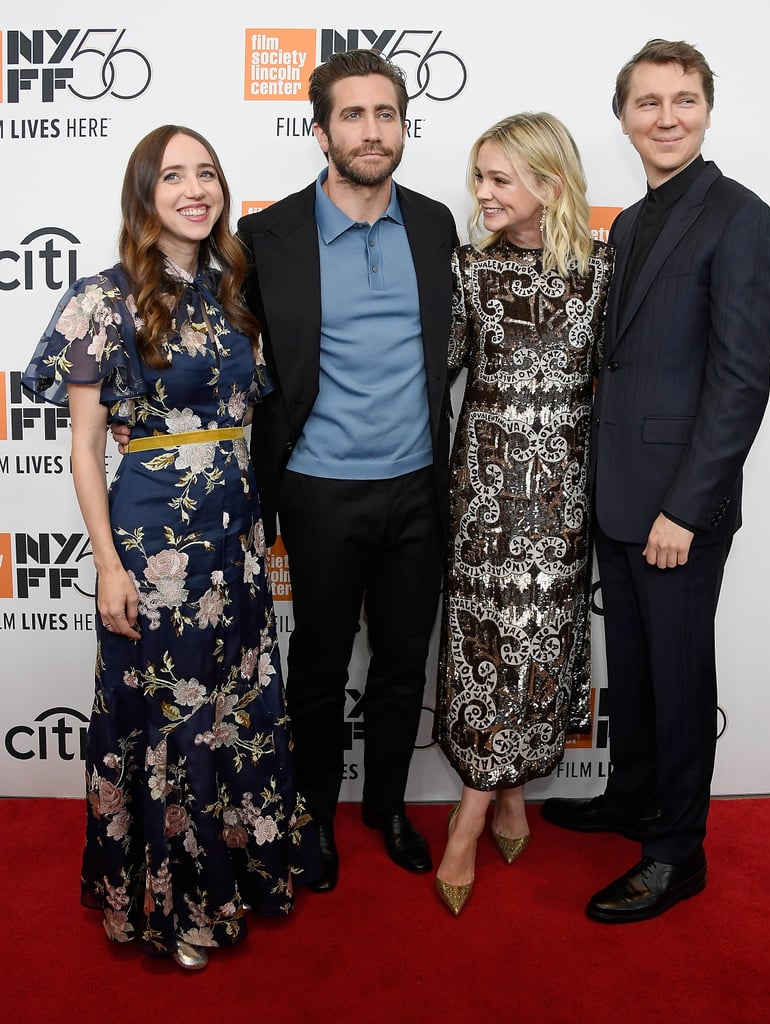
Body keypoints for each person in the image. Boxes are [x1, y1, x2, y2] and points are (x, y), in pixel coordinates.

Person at [22, 125, 316, 970]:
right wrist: (110, 566)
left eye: (209, 174)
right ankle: (174, 906)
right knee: (171, 719)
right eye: (175, 176)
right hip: (154, 545)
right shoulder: (100, 300)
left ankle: (245, 878)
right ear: (144, 193)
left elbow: (252, 418)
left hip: (237, 536)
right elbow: (84, 449)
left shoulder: (233, 294)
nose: (197, 189)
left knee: (237, 711)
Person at [541, 39, 770, 923]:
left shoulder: (740, 216)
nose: (667, 117)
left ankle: (678, 853)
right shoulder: (634, 223)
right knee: (636, 672)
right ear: (624, 119)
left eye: (683, 100)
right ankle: (632, 795)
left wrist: (687, 506)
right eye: (648, 103)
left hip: (679, 506)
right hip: (619, 494)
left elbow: (740, 380)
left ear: (708, 109)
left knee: (680, 682)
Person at [236, 49, 459, 892]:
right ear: (321, 128)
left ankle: (390, 809)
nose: (373, 132)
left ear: (404, 125)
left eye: (387, 115)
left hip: (416, 487)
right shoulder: (269, 237)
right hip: (319, 488)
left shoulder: (437, 224)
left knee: (405, 661)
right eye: (354, 116)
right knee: (322, 667)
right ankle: (315, 817)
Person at [434, 112, 613, 916]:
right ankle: (487, 809)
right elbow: (431, 372)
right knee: (485, 648)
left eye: (499, 178)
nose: (483, 193)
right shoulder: (467, 272)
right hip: (483, 500)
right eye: (480, 177)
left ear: (549, 183)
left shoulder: (603, 274)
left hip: (565, 502)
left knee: (539, 649)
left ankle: (485, 808)